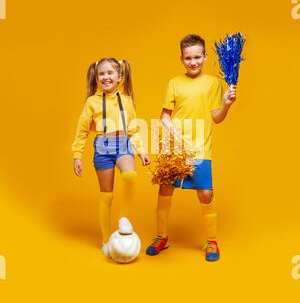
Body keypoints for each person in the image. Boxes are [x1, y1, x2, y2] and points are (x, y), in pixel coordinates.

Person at [146, 34, 237, 261]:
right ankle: (161, 236)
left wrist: (226, 105)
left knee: (206, 193)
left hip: (199, 147)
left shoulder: (213, 84)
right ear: (181, 59)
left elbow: (216, 118)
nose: (193, 61)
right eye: (188, 58)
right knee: (165, 189)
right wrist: (171, 129)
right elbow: (165, 116)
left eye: (197, 57)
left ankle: (212, 240)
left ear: (205, 57)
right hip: (174, 147)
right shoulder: (174, 83)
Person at [72, 58, 150, 257]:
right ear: (96, 77)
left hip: (123, 144)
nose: (105, 77)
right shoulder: (92, 102)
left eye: (110, 73)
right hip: (102, 148)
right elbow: (81, 131)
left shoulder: (127, 100)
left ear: (120, 77)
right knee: (107, 196)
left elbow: (133, 128)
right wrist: (77, 155)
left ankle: (124, 217)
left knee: (130, 175)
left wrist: (141, 151)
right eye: (101, 74)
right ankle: (106, 240)